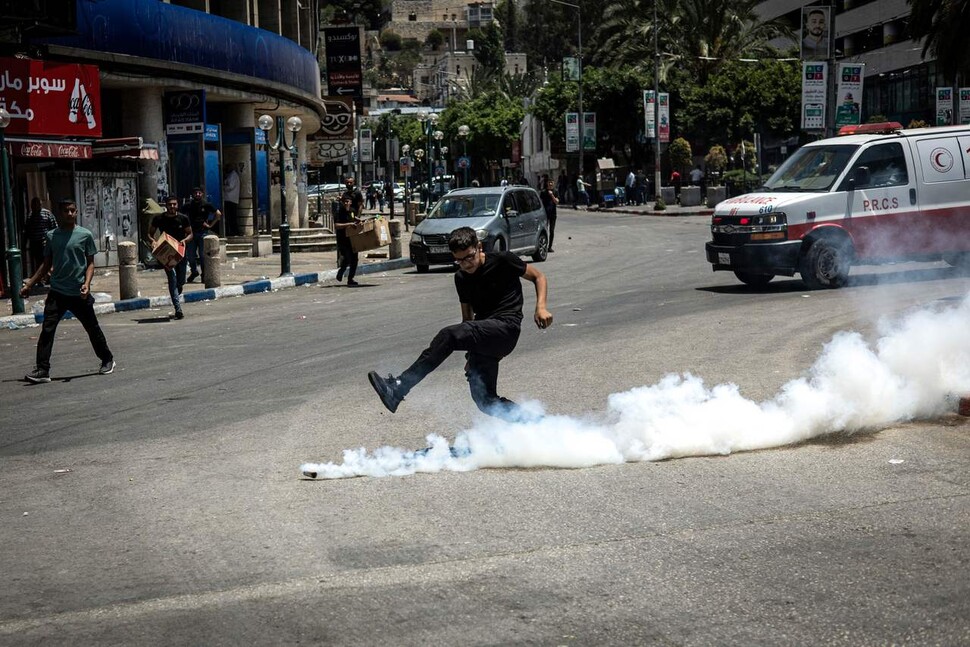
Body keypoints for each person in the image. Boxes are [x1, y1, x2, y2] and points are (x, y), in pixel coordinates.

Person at [367, 226, 552, 422]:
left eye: (469, 257)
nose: (466, 264)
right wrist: (472, 354)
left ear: (478, 247)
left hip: (506, 327)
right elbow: (467, 320)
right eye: (459, 260)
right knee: (485, 401)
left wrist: (541, 307)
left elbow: (538, 277)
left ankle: (398, 387)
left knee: (448, 335)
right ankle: (538, 425)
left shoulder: (503, 260)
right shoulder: (461, 277)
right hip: (484, 335)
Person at [20, 199, 115, 383]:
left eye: (72, 210)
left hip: (79, 292)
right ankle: (42, 369)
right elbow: (46, 264)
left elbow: (90, 264)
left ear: (77, 212)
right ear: (60, 213)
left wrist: (87, 283)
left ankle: (107, 359)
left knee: (92, 328)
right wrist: (29, 285)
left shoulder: (85, 235)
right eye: (66, 211)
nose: (69, 214)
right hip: (57, 292)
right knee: (47, 330)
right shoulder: (51, 236)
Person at [149, 196, 193, 320]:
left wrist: (185, 240)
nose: (172, 207)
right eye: (169, 204)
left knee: (180, 281)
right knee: (172, 279)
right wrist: (153, 241)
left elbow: (190, 233)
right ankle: (178, 309)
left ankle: (177, 292)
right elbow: (149, 234)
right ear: (166, 205)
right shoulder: (159, 218)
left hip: (180, 253)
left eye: (174, 204)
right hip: (166, 255)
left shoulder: (183, 218)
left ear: (177, 205)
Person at [184, 187, 221, 283]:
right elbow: (181, 214)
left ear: (202, 194)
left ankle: (204, 274)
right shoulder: (189, 205)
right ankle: (194, 271)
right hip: (191, 233)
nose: (197, 194)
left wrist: (210, 225)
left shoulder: (206, 204)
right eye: (195, 193)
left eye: (199, 193)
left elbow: (218, 214)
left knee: (202, 255)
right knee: (191, 256)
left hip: (203, 232)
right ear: (193, 194)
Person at [23, 197, 57, 283]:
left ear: (40, 205)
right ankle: (40, 279)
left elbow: (54, 227)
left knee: (46, 259)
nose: (34, 207)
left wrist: (52, 240)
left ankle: (48, 276)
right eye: (32, 205)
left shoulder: (47, 214)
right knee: (37, 261)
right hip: (34, 242)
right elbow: (27, 230)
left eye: (36, 205)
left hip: (45, 241)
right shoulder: (30, 215)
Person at [334, 195, 362, 286]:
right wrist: (349, 224)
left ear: (350, 202)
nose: (346, 203)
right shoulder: (339, 212)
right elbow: (337, 225)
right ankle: (341, 271)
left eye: (348, 201)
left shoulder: (352, 211)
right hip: (342, 238)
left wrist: (357, 221)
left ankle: (351, 278)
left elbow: (353, 218)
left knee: (354, 259)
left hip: (353, 239)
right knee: (347, 257)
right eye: (345, 202)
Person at [539, 178, 559, 252]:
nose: (550, 184)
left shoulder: (555, 191)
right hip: (545, 214)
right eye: (549, 182)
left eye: (552, 182)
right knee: (544, 231)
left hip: (553, 214)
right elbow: (540, 202)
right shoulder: (543, 192)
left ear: (553, 183)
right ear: (547, 183)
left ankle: (549, 247)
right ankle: (543, 245)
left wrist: (552, 195)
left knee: (552, 231)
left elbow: (556, 202)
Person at [222, 164, 240, 236]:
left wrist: (223, 186)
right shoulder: (231, 175)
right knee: (231, 216)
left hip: (230, 199)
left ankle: (233, 232)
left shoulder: (233, 175)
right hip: (230, 199)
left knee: (231, 217)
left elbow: (230, 186)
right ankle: (232, 231)